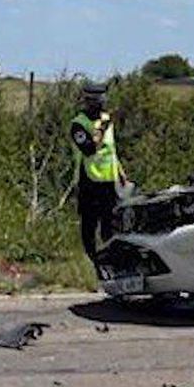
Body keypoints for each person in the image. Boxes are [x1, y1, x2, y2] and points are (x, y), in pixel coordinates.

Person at [69, 81, 127, 259]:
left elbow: (111, 150)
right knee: (89, 222)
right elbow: (89, 149)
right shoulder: (79, 124)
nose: (100, 104)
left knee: (111, 221)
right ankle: (91, 258)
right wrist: (100, 129)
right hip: (89, 179)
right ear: (88, 101)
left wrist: (120, 171)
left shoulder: (106, 121)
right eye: (96, 101)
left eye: (102, 99)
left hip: (109, 180)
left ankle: (111, 256)